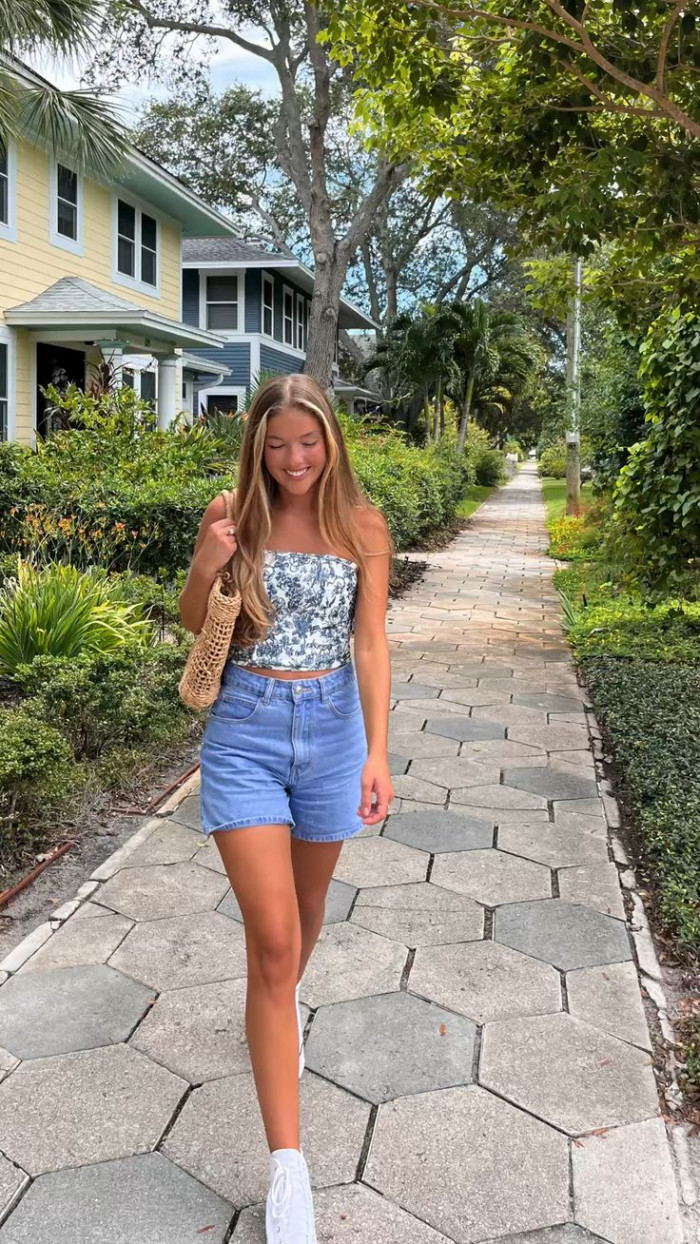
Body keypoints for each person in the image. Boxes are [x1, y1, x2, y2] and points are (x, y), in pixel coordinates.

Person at [178, 374, 394, 1243]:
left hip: (334, 732)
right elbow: (198, 622)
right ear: (256, 445)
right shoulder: (237, 511)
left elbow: (371, 641)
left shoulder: (362, 524)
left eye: (308, 442)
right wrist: (205, 558)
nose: (294, 459)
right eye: (277, 444)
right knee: (270, 940)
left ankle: (275, 1017)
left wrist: (378, 749)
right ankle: (289, 1173)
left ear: (331, 440)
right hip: (245, 730)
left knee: (305, 917)